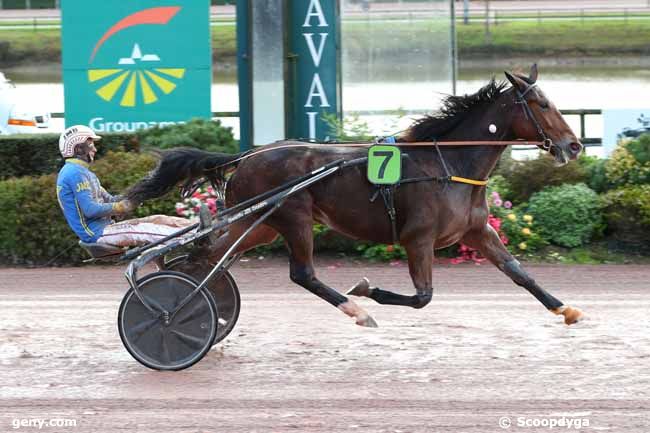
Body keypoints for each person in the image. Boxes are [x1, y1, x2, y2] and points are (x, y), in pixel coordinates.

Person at [56, 125, 194, 247]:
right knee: (148, 229)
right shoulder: (74, 173)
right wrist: (122, 207)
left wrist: (137, 195)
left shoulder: (83, 172)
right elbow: (90, 210)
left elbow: (110, 200)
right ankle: (194, 238)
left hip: (106, 228)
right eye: (91, 146)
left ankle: (197, 228)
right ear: (79, 148)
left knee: (158, 219)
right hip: (97, 233)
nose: (95, 150)